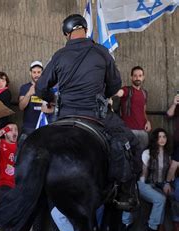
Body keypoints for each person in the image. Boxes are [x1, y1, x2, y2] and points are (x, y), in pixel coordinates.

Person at [35, 14, 141, 210]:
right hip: (96, 114)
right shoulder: (101, 52)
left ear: (67, 33)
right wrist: (102, 94)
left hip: (64, 115)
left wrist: (54, 99)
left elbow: (41, 88)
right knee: (131, 142)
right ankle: (126, 193)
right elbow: (115, 85)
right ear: (85, 29)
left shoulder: (59, 55)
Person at [121, 128, 173, 231]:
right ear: (155, 139)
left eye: (164, 137)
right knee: (160, 198)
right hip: (144, 183)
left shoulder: (168, 155)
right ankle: (149, 226)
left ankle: (159, 227)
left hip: (158, 184)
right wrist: (140, 187)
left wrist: (166, 184)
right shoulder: (147, 153)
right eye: (159, 137)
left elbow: (167, 172)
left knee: (164, 198)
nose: (162, 139)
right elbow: (144, 174)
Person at [117, 66, 151, 150]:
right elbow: (119, 93)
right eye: (135, 75)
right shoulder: (126, 90)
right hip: (129, 131)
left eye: (140, 75)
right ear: (131, 77)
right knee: (129, 157)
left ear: (143, 77)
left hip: (143, 131)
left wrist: (147, 121)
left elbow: (143, 110)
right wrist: (113, 93)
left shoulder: (144, 93)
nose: (137, 78)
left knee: (142, 157)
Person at [19, 61, 54, 137]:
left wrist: (50, 110)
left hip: (45, 125)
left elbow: (55, 108)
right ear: (30, 73)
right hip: (29, 127)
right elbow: (21, 107)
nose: (36, 75)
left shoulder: (49, 88)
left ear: (42, 73)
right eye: (34, 72)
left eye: (39, 72)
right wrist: (29, 93)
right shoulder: (24, 88)